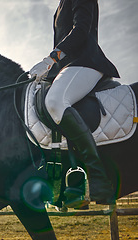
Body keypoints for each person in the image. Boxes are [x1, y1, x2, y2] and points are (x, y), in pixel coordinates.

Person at [29, 0, 119, 205]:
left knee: (55, 101)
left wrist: (50, 59)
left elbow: (81, 30)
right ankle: (69, 180)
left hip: (86, 62)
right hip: (66, 67)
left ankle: (99, 177)